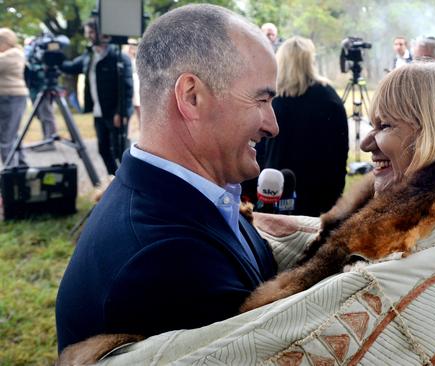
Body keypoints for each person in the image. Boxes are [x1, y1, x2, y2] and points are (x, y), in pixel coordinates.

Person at [72, 62, 435, 366]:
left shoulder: (390, 283)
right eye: (260, 100)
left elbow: (253, 346)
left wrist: (106, 357)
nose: (367, 143)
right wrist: (276, 225)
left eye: (385, 127)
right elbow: (350, 244)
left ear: (434, 132)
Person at [55, 4, 279, 353]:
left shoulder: (172, 198)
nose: (272, 125)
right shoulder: (167, 260)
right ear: (191, 97)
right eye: (261, 99)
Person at [260, 36, 348, 216]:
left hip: (272, 191)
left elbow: (259, 146)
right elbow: (341, 149)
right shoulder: (328, 97)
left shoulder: (270, 100)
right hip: (320, 193)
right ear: (310, 61)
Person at [60, 18, 133, 176]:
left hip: (114, 113)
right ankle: (113, 180)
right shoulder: (89, 57)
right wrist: (54, 57)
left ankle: (128, 182)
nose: (89, 36)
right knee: (103, 150)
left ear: (102, 32)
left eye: (92, 32)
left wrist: (122, 112)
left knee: (120, 151)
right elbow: (71, 67)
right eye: (88, 32)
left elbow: (127, 89)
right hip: (98, 113)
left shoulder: (119, 57)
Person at [0, 27, 28, 166]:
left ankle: (10, 174)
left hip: (10, 98)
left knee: (6, 137)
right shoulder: (12, 53)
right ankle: (21, 168)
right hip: (9, 97)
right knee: (12, 134)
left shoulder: (13, 53)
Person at [24, 37, 58, 152]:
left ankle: (50, 141)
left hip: (43, 88)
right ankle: (46, 139)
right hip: (34, 89)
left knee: (46, 116)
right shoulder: (32, 56)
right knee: (41, 116)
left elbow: (42, 70)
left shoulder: (42, 55)